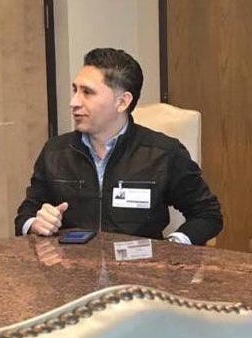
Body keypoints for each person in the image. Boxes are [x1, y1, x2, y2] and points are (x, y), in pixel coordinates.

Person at [15, 48, 222, 245]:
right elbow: (25, 215)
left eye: (87, 92)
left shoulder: (164, 153)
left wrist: (174, 245)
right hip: (73, 272)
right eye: (75, 90)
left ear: (122, 102)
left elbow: (207, 215)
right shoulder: (55, 152)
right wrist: (35, 224)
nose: (74, 102)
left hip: (139, 275)